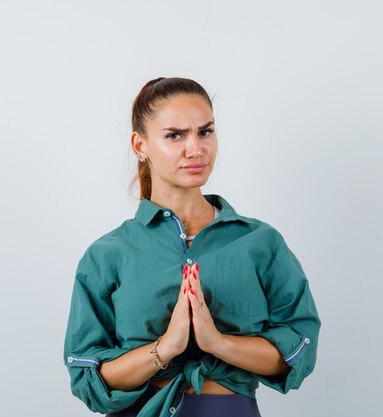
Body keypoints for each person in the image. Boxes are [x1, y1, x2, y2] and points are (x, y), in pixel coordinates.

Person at [63, 77, 322, 417]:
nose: (196, 149)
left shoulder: (260, 243)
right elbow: (87, 375)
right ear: (140, 145)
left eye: (205, 132)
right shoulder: (107, 254)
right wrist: (165, 348)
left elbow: (300, 347)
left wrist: (218, 343)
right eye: (175, 135)